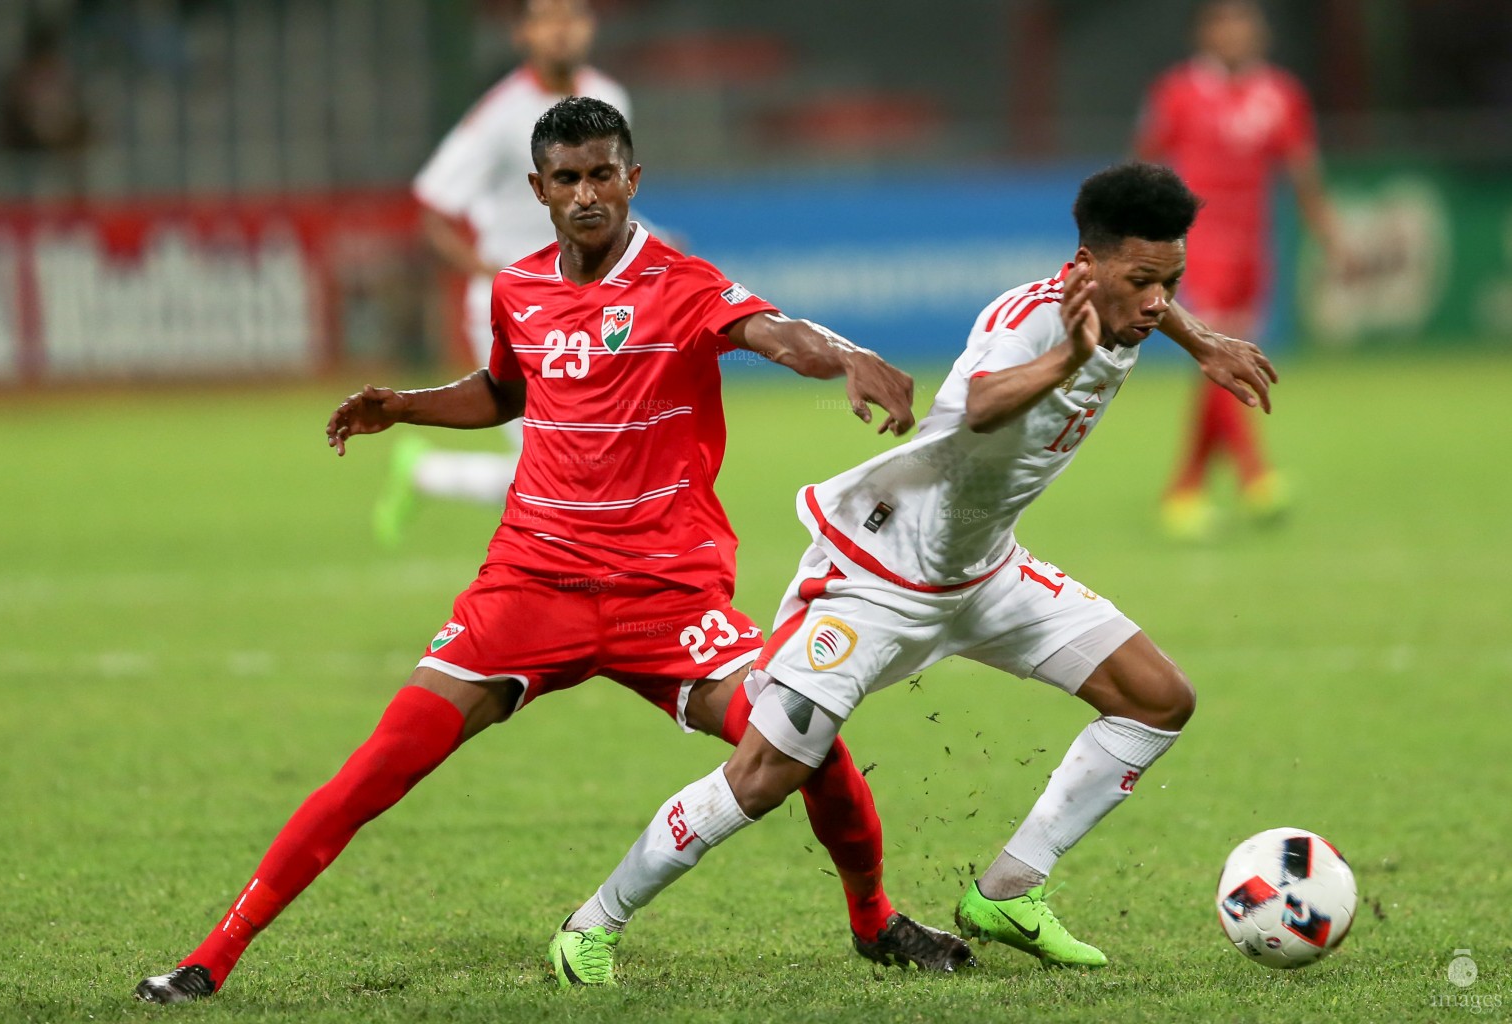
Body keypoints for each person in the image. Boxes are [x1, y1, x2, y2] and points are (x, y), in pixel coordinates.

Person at [133, 97, 977, 1005]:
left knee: (806, 738)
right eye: (567, 178)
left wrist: (843, 356)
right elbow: (504, 390)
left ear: (632, 179)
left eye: (602, 174)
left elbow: (776, 334)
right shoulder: (517, 288)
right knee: (380, 765)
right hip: (530, 584)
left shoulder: (682, 284)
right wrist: (406, 405)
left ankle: (874, 919)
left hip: (666, 595)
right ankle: (210, 958)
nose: (587, 194)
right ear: (537, 188)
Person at [548, 163, 1279, 981]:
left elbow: (1148, 305)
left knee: (1157, 700)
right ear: (1084, 265)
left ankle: (1007, 891)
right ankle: (591, 925)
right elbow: (982, 405)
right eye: (1142, 281)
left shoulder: (1126, 311)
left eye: (1168, 283)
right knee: (764, 774)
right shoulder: (1031, 323)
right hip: (875, 576)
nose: (1155, 301)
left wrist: (1201, 338)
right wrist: (1068, 357)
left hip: (983, 574)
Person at [375, 0, 629, 546]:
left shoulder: (612, 99)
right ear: (525, 33)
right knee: (567, 470)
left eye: (572, 17)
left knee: (584, 467)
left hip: (585, 306)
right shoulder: (501, 114)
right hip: (517, 311)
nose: (561, 30)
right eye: (548, 18)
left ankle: (427, 473)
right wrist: (491, 273)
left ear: (588, 27)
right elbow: (434, 209)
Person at [1136, 0, 1341, 540]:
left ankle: (1184, 491)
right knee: (1217, 352)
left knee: (1221, 362)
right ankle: (1256, 476)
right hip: (1196, 246)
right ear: (1204, 32)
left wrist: (1331, 238)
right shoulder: (1177, 91)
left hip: (1254, 248)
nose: (1238, 32)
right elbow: (1142, 163)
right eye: (1226, 22)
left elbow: (1302, 172)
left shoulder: (1281, 94)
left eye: (1247, 21)